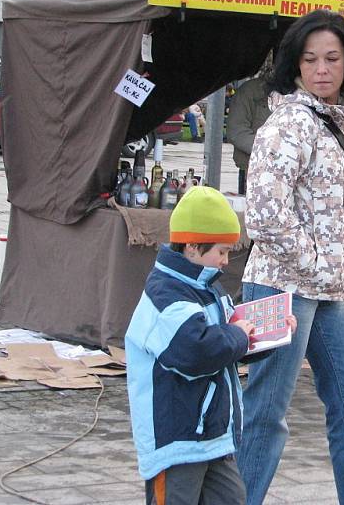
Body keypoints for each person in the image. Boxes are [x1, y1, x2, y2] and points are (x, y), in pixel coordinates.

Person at [238, 10, 344, 505]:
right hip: (277, 287)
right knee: (265, 411)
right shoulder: (286, 123)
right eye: (310, 60)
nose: (321, 69)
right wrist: (319, 262)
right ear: (295, 65)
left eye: (332, 58)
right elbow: (263, 215)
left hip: (330, 291)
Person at [125, 186, 287, 505]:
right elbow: (197, 351)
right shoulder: (166, 296)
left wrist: (269, 335)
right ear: (194, 247)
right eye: (222, 251)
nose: (226, 261)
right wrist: (239, 336)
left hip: (213, 437)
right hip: (176, 443)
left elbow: (226, 344)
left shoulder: (205, 287)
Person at [226, 74, 272, 194]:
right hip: (253, 168)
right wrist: (271, 151)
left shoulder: (302, 92)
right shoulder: (251, 90)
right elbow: (236, 131)